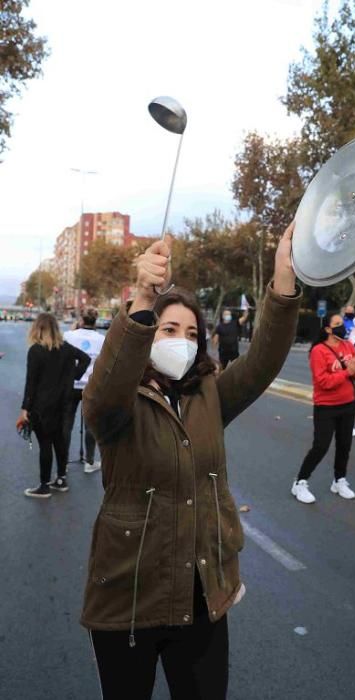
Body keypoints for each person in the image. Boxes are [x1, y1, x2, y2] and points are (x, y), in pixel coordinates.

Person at [81, 225, 301, 699]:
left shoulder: (208, 395)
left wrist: (284, 282)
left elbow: (262, 360)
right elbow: (100, 396)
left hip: (202, 599)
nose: (181, 340)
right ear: (147, 335)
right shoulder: (119, 401)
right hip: (129, 598)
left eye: (191, 332)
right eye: (168, 329)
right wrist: (141, 297)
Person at [291, 312, 355, 504]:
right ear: (328, 329)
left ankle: (339, 480)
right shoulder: (318, 351)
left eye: (343, 323)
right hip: (326, 406)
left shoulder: (348, 345)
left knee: (344, 444)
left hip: (348, 404)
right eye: (338, 323)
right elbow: (323, 382)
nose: (343, 327)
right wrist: (348, 371)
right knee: (321, 446)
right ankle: (300, 482)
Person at [16, 313, 90, 498]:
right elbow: (86, 359)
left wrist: (25, 408)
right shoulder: (65, 348)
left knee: (45, 445)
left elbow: (31, 383)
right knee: (59, 441)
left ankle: (44, 485)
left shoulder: (35, 351)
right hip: (63, 403)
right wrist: (73, 376)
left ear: (37, 328)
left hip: (41, 406)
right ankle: (61, 479)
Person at [63, 307, 105, 473]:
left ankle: (63, 461)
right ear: (95, 321)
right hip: (91, 384)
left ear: (80, 320)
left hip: (71, 383)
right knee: (90, 425)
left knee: (66, 424)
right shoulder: (101, 339)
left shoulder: (68, 336)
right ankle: (89, 461)